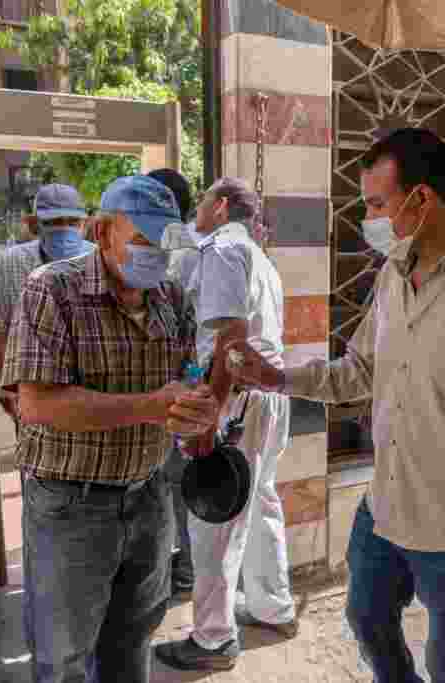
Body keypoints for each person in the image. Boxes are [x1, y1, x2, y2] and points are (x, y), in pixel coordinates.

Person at [224, 128, 445, 682]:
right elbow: (360, 372)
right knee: (366, 620)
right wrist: (276, 377)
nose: (366, 218)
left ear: (421, 199)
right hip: (386, 509)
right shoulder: (394, 276)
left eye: (375, 204)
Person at [2, 174, 219, 683]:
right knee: (66, 658)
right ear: (101, 232)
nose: (156, 256)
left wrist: (198, 407)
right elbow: (36, 404)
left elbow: (186, 378)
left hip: (148, 499)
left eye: (164, 244)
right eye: (142, 242)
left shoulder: (172, 298)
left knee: (132, 642)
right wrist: (151, 405)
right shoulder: (52, 290)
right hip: (70, 508)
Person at [154, 177, 297, 672]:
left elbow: (230, 344)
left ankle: (213, 639)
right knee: (261, 501)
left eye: (200, 204)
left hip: (235, 402)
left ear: (219, 207)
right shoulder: (260, 257)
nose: (195, 213)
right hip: (269, 403)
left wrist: (208, 414)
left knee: (214, 521)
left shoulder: (221, 251)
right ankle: (272, 605)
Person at [0, 183, 95, 423]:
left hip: (90, 391)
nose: (64, 230)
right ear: (34, 225)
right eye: (54, 223)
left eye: (72, 222)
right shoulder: (12, 263)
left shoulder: (99, 260)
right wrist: (10, 387)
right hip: (33, 390)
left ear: (85, 224)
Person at [147, 168, 200, 597]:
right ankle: (183, 571)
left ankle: (179, 573)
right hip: (186, 386)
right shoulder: (196, 248)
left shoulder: (172, 255)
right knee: (177, 487)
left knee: (169, 486)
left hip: (172, 391)